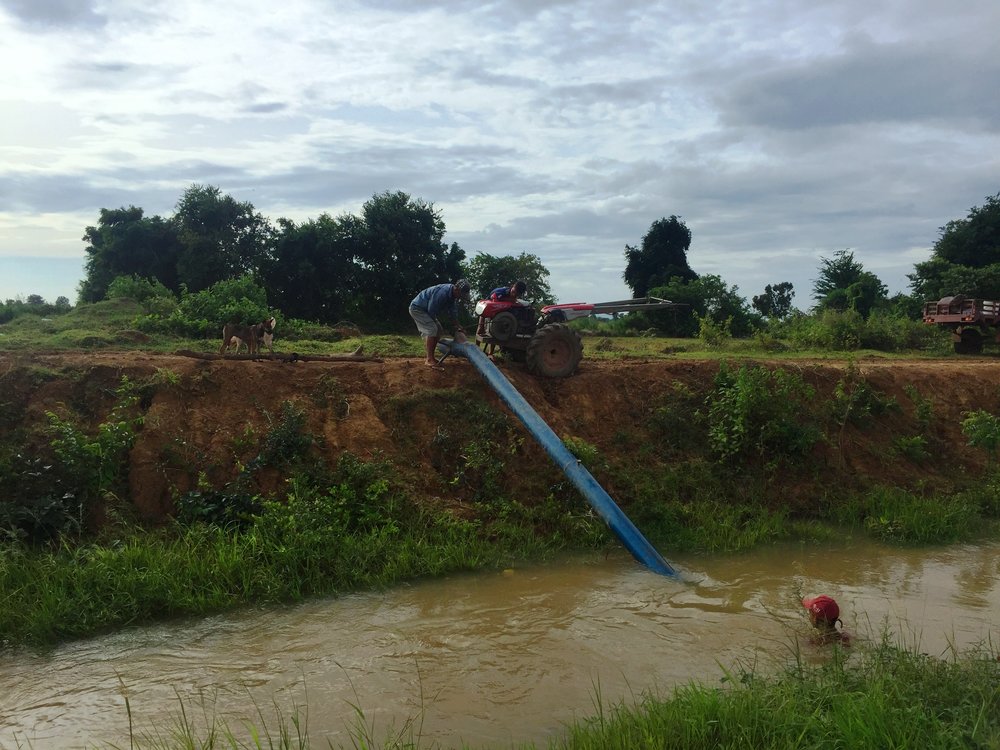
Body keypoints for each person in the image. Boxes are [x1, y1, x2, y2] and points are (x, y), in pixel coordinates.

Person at [409, 279, 470, 369]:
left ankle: (432, 357)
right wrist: (433, 325)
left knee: (439, 330)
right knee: (432, 329)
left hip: (426, 310)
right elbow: (431, 309)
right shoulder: (443, 293)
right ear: (456, 289)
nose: (460, 297)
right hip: (418, 309)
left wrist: (458, 326)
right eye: (460, 294)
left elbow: (452, 313)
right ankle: (429, 359)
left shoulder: (452, 296)